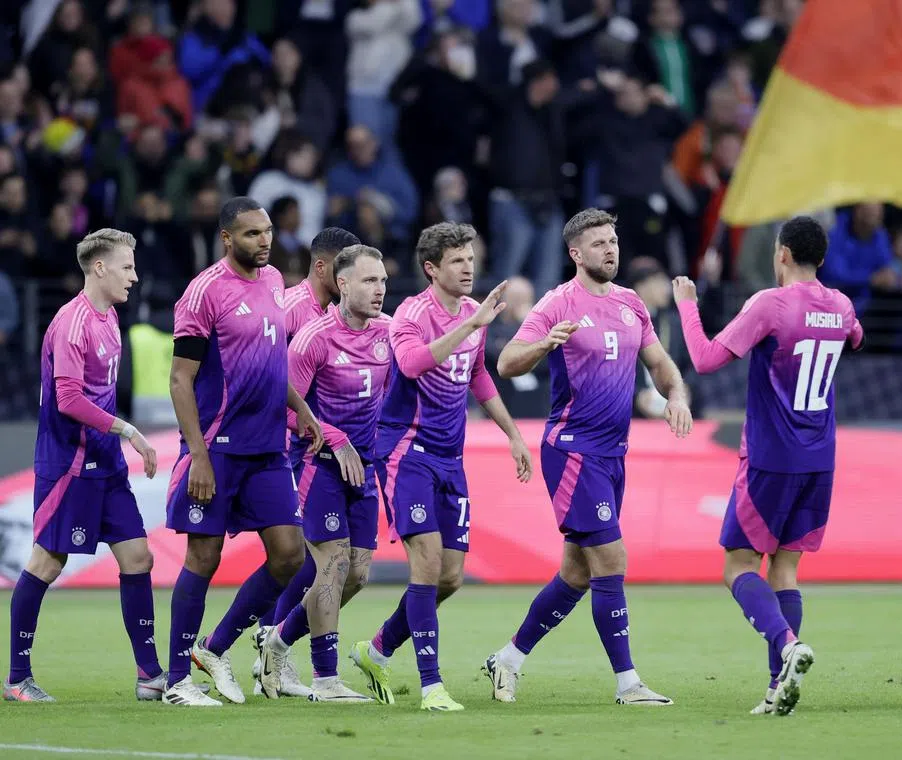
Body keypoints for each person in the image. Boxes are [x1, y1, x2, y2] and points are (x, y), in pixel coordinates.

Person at [482, 208, 692, 706]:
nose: (610, 249)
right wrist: (544, 344)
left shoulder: (630, 303)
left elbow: (661, 365)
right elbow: (506, 362)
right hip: (573, 452)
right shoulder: (558, 302)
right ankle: (628, 683)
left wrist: (677, 396)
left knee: (577, 573)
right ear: (576, 253)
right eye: (599, 243)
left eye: (613, 240)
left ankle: (507, 659)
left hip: (614, 454)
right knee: (611, 560)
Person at [671, 216, 864, 716]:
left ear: (782, 254)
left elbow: (705, 359)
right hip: (820, 459)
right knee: (785, 569)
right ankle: (779, 687)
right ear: (821, 258)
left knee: (738, 566)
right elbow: (855, 336)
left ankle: (787, 644)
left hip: (771, 458)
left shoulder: (770, 304)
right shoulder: (842, 305)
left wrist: (687, 305)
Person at [349, 222, 532, 712]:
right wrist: (470, 327)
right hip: (406, 453)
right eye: (457, 260)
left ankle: (376, 650)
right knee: (427, 563)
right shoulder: (411, 314)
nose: (468, 267)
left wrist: (513, 434)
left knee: (449, 578)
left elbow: (478, 376)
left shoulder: (475, 313)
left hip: (451, 458)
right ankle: (432, 686)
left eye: (470, 257)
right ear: (432, 268)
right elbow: (411, 365)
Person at [162, 197, 324, 707]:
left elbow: (272, 363)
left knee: (290, 554)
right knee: (203, 556)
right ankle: (176, 681)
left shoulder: (274, 280)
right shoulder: (203, 292)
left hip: (267, 447)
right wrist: (199, 456)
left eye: (268, 231)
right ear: (227, 238)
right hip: (218, 448)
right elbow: (180, 380)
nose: (265, 240)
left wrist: (302, 408)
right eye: (253, 233)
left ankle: (213, 648)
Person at [5, 229, 162, 702]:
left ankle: (150, 675)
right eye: (127, 267)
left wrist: (117, 440)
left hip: (106, 465)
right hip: (69, 465)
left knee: (138, 558)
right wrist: (129, 431)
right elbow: (69, 398)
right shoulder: (72, 324)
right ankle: (17, 679)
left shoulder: (109, 317)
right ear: (99, 267)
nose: (134, 277)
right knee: (47, 563)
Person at [258, 245, 390, 702]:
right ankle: (325, 679)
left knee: (357, 575)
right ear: (343, 283)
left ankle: (277, 641)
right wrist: (334, 437)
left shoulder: (389, 333)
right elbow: (284, 408)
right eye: (369, 280)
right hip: (319, 465)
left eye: (383, 280)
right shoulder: (313, 338)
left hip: (364, 469)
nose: (379, 289)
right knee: (332, 566)